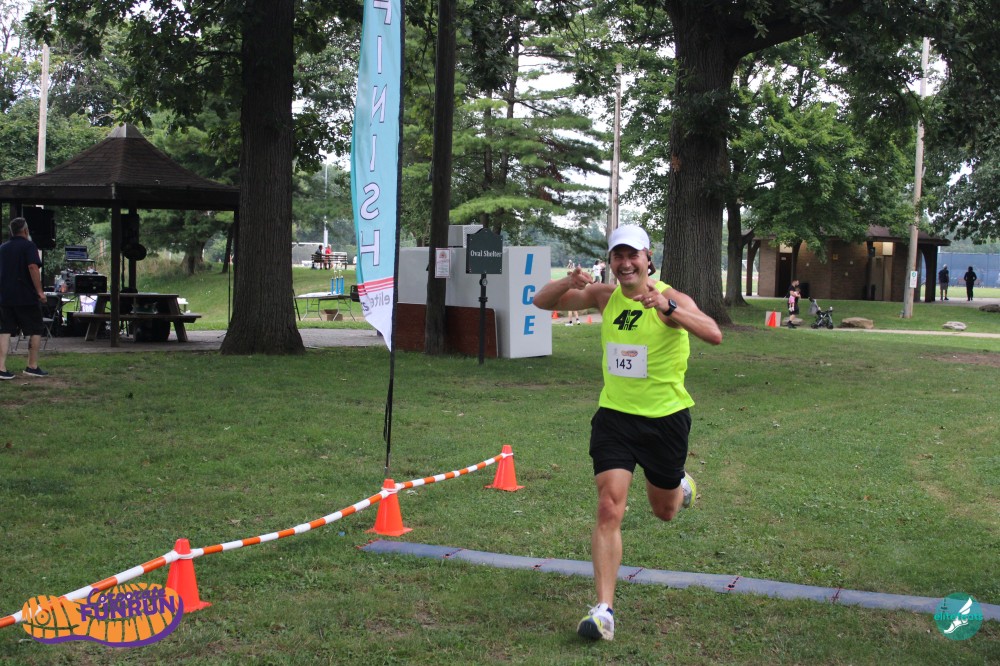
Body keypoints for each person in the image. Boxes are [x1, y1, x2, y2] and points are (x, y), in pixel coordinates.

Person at [532, 226, 722, 641]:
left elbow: (713, 333)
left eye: (632, 255)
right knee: (608, 507)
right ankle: (604, 611)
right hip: (615, 418)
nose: (625, 263)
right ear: (611, 262)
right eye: (617, 256)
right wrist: (568, 281)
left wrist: (669, 307)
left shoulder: (671, 298)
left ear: (648, 258)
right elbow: (542, 302)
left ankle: (679, 485)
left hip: (665, 420)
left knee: (664, 511)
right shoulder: (605, 296)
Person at [1, 217, 50, 379]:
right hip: (25, 296)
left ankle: (1, 368)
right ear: (25, 230)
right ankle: (32, 366)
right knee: (35, 329)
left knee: (4, 330)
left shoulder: (2, 248)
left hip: (5, 296)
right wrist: (40, 292)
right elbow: (32, 267)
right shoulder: (29, 246)